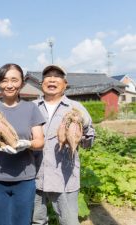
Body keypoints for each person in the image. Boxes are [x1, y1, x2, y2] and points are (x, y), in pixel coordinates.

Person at [0, 63, 45, 225]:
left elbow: (40, 142)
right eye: (4, 80)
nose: (9, 85)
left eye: (14, 80)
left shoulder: (31, 108)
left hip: (24, 179)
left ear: (22, 83)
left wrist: (26, 143)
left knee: (22, 222)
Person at [32, 65, 95, 225]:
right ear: (42, 82)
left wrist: (85, 126)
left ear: (65, 84)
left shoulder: (76, 108)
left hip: (64, 176)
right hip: (34, 176)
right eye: (48, 76)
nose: (52, 79)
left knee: (68, 221)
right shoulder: (31, 107)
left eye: (57, 76)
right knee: (36, 221)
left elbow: (89, 143)